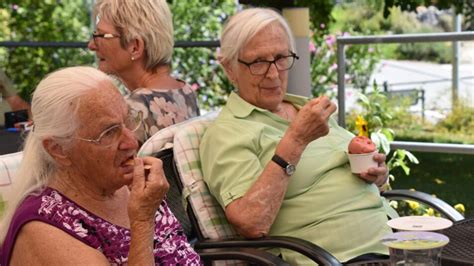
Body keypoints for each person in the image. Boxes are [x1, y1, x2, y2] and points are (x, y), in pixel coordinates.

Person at [200, 8, 392, 264]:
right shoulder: (227, 132)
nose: (273, 73)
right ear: (229, 68)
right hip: (340, 258)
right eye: (258, 62)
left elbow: (359, 178)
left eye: (281, 58)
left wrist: (378, 175)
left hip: (396, 242)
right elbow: (251, 222)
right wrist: (296, 140)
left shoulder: (306, 108)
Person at [0, 66, 201, 265]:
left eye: (128, 120)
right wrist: (142, 222)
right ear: (58, 150)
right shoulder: (46, 232)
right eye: (108, 132)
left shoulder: (130, 185)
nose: (131, 142)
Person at [88, 0, 199, 144]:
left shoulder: (132, 109)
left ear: (135, 47)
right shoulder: (185, 91)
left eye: (100, 37)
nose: (91, 45)